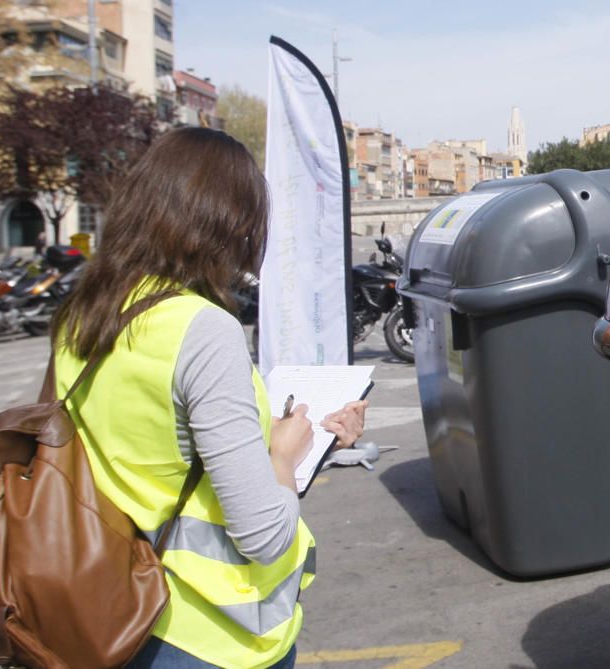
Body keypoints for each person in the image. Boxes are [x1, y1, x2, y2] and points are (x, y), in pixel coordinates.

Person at [51, 127, 367, 669]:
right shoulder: (202, 330)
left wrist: (287, 444)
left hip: (107, 607)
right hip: (207, 633)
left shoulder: (83, 315)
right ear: (226, 224)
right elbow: (265, 534)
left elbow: (155, 451)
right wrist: (284, 455)